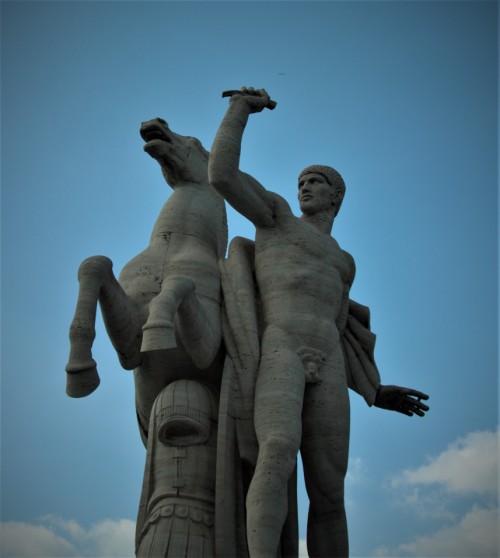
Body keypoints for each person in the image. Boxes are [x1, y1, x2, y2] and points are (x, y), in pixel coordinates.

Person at [208, 87, 429, 558]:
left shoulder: (344, 262)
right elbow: (221, 175)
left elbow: (343, 327)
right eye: (301, 182)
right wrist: (239, 110)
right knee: (278, 451)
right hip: (281, 345)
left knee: (330, 491)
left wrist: (372, 389)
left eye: (315, 181)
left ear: (337, 195)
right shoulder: (276, 219)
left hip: (328, 357)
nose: (303, 187)